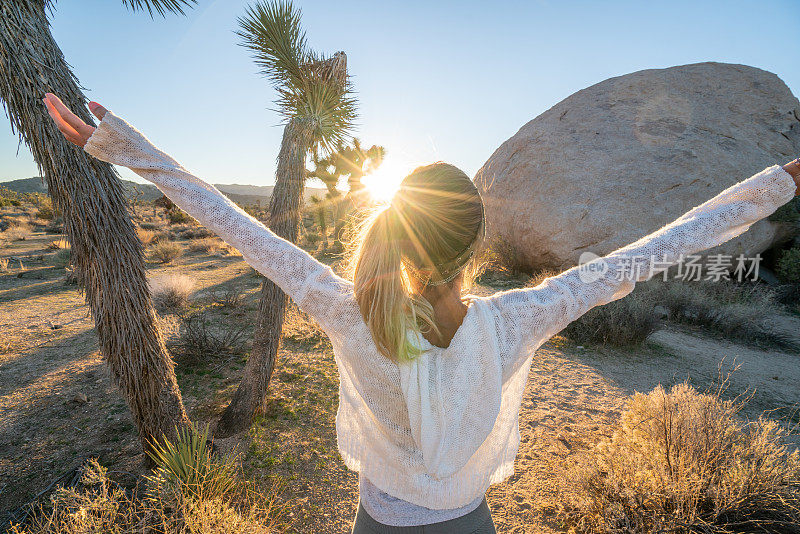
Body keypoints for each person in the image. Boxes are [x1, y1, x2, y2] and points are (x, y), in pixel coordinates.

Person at [43, 93, 800, 533]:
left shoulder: (345, 308)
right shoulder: (521, 318)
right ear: (477, 239)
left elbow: (238, 229)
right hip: (470, 524)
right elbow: (653, 252)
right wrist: (775, 184)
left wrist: (125, 148)